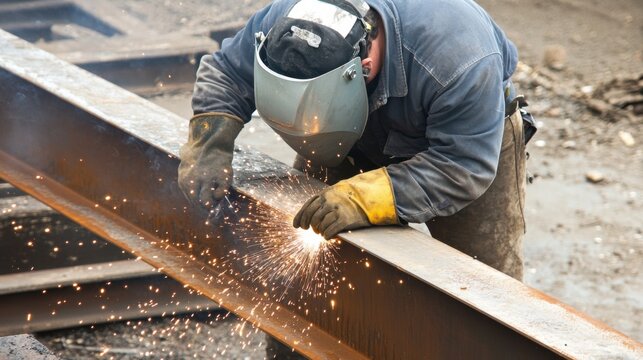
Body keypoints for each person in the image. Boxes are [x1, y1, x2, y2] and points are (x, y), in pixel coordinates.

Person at [179, 1, 531, 355]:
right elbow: (227, 70)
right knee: (302, 251)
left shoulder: (456, 56)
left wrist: (363, 199)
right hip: (345, 135)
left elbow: (464, 166)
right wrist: (210, 138)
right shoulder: (290, 17)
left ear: (362, 69)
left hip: (463, 143)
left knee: (485, 302)